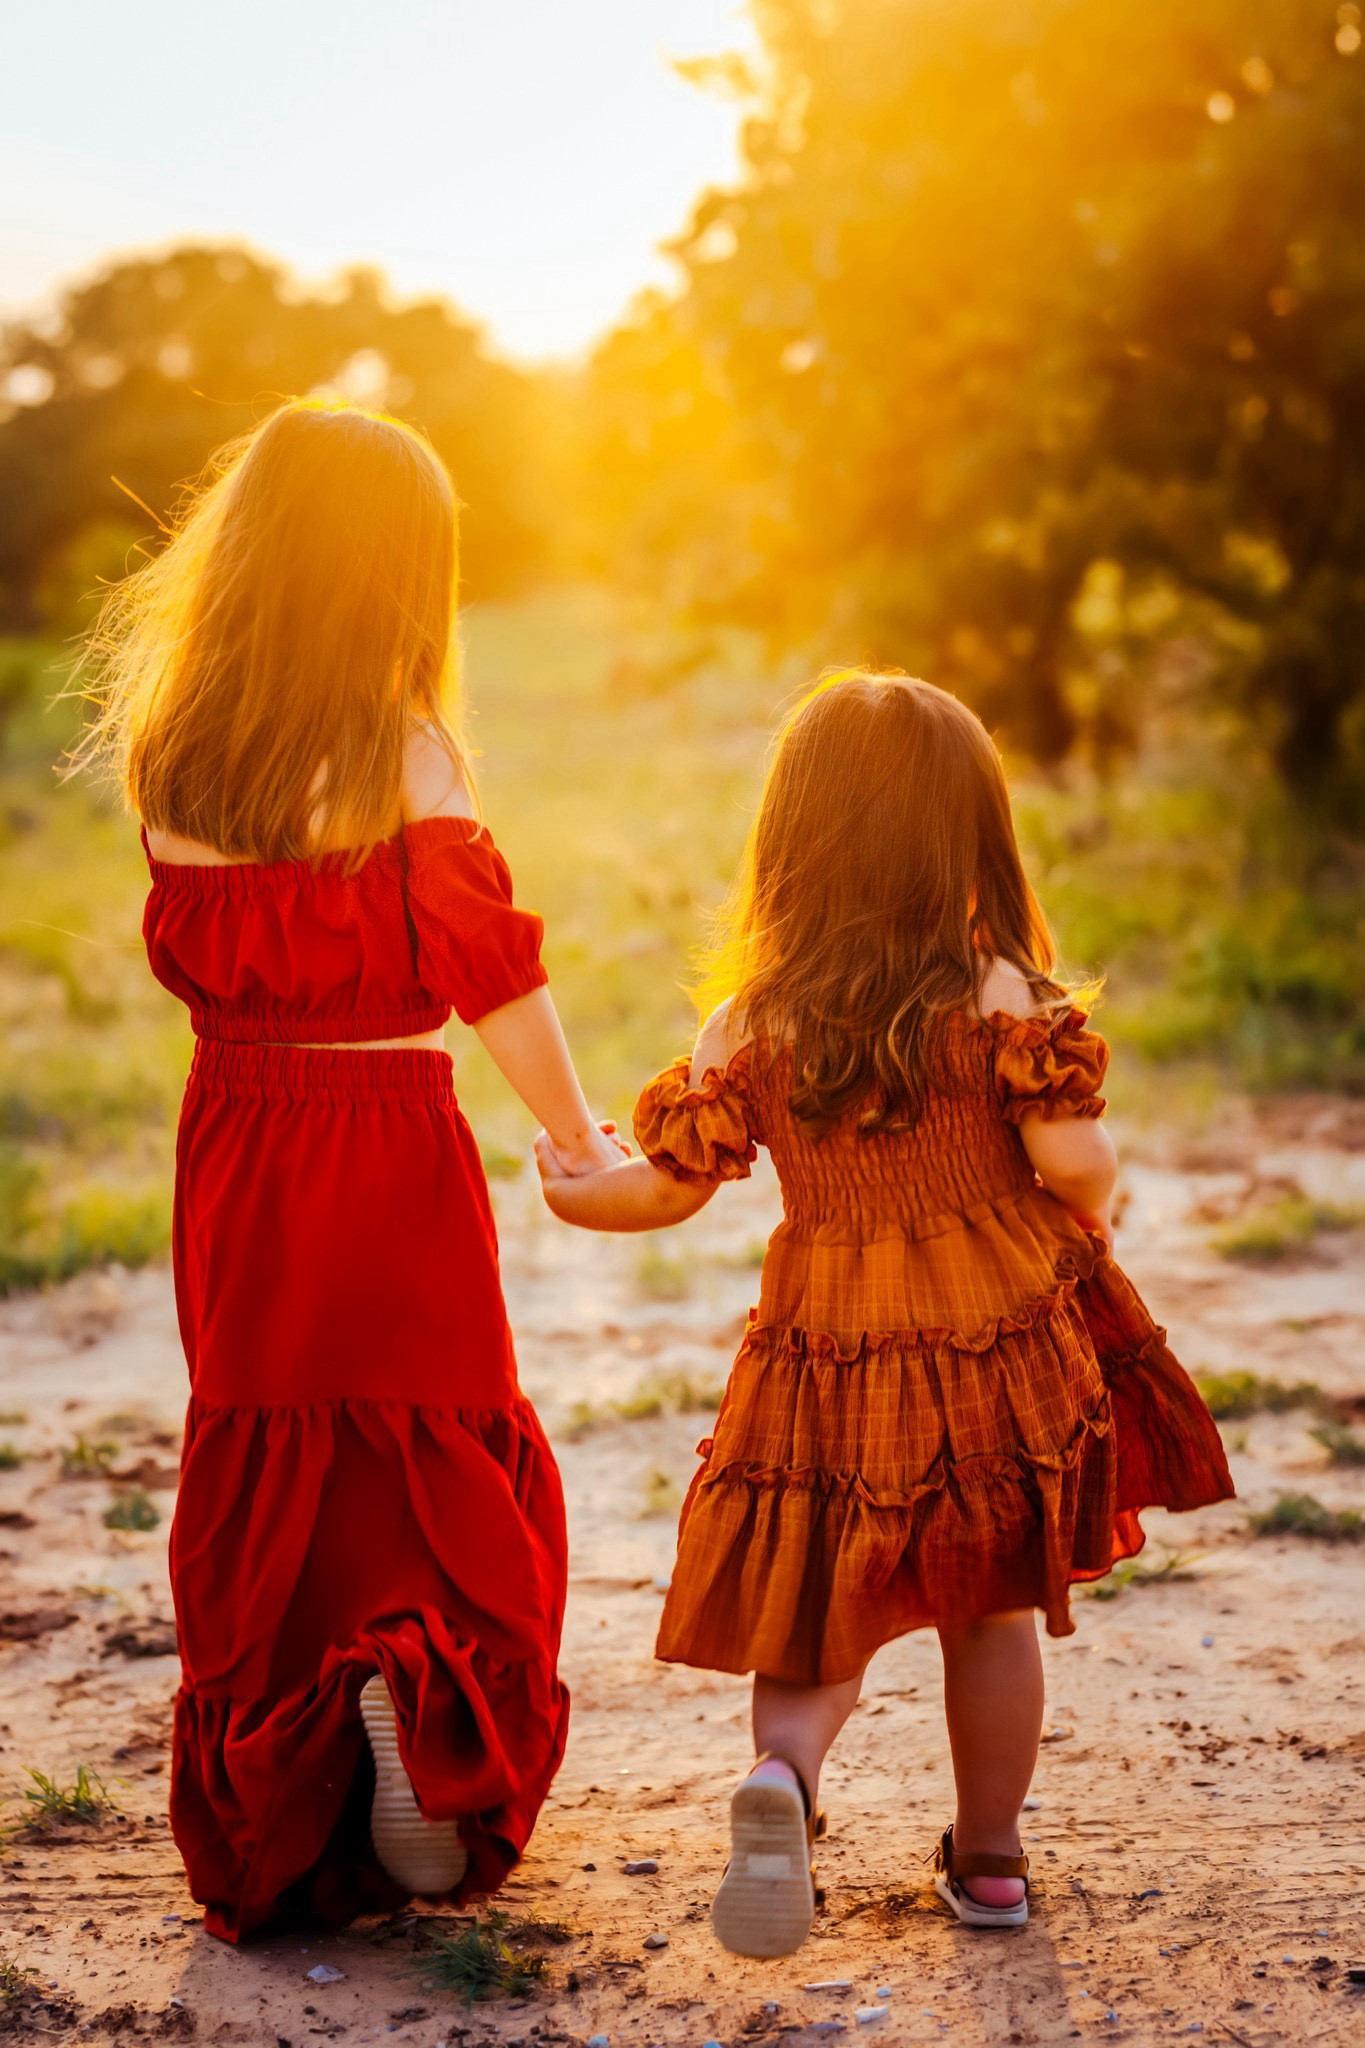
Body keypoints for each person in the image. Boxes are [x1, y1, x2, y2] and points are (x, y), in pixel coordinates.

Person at [536, 671, 1233, 1958]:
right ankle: (992, 1860)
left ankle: (785, 1780)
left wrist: (576, 1191)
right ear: (969, 835)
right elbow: (1074, 1157)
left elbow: (669, 1191)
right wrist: (1092, 1203)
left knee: (821, 1600)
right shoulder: (1002, 992)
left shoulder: (753, 1017)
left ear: (794, 841)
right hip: (995, 1342)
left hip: (828, 1354)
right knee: (992, 1606)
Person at [76, 396, 621, 1942]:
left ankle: (304, 1777)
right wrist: (579, 1141)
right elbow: (491, 975)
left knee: (272, 1433)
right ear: (396, 578)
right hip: (388, 1136)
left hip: (242, 1146)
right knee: (425, 1433)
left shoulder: (179, 758)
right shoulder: (405, 752)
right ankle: (417, 1704)